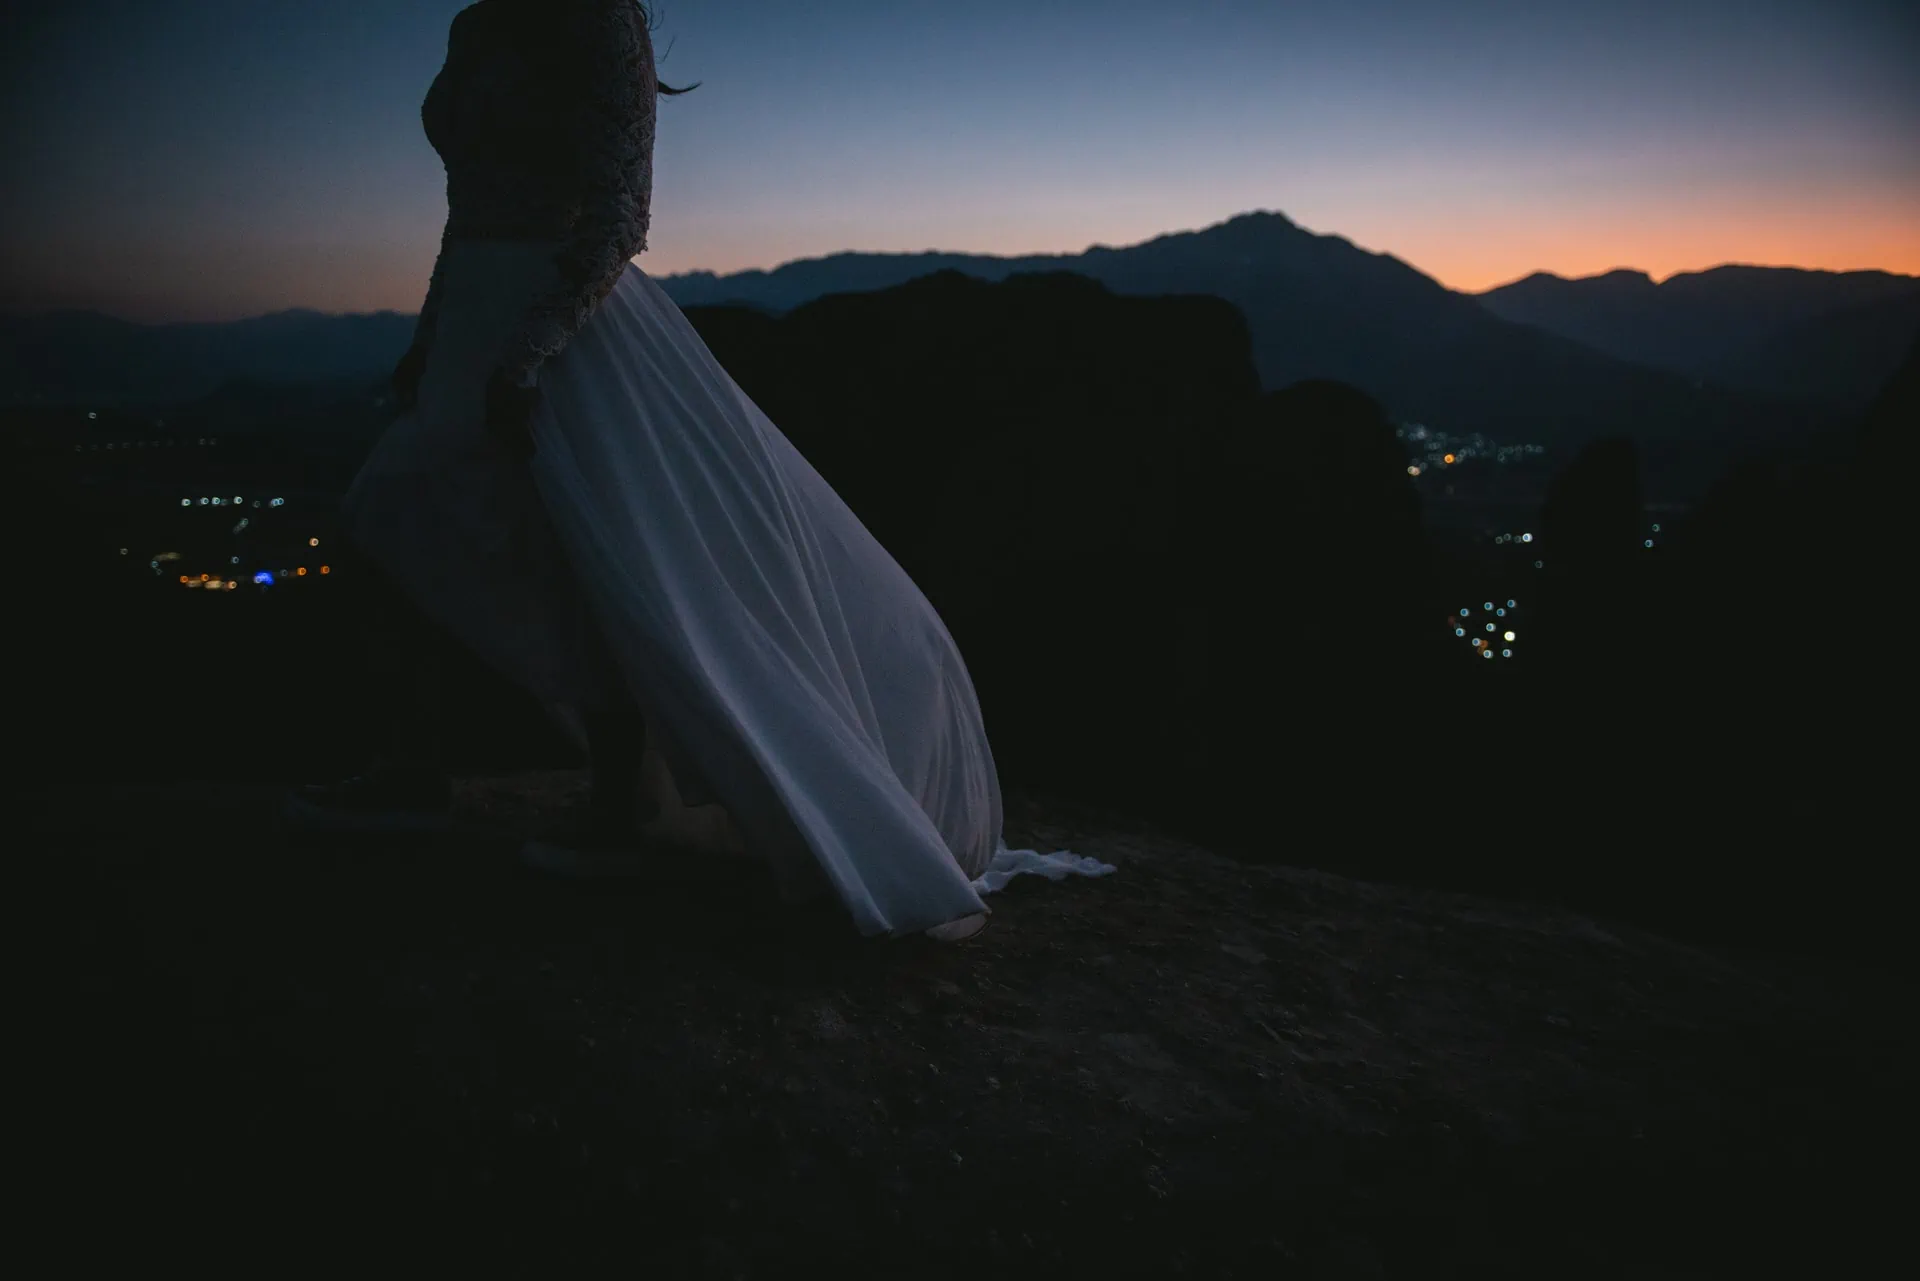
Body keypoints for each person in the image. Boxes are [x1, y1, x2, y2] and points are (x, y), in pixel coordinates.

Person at [285, 0, 1112, 939]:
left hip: (571, 327)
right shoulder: (479, 21)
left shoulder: (596, 19)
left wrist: (534, 346)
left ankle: (610, 811)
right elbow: (463, 206)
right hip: (478, 324)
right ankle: (412, 771)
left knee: (598, 549)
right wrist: (436, 332)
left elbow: (619, 213)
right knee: (393, 513)